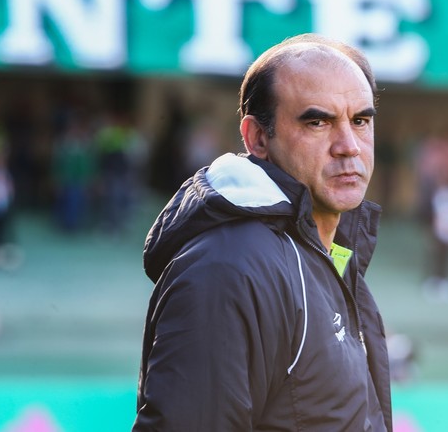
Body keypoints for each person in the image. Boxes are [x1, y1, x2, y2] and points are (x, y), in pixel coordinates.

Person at [132, 34, 392, 431]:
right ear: (257, 138)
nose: (349, 146)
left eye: (360, 121)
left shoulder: (327, 254)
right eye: (318, 122)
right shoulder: (228, 268)